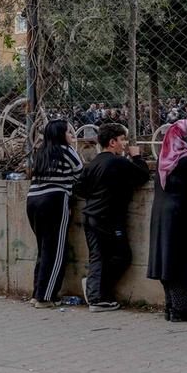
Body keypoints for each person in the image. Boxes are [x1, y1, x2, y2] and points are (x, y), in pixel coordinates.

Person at [77, 123, 150, 312]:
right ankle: (97, 296)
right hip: (107, 219)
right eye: (122, 139)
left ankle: (96, 291)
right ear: (112, 142)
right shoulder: (117, 162)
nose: (124, 143)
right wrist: (136, 156)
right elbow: (142, 175)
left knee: (99, 256)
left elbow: (80, 189)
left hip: (91, 216)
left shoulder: (93, 163)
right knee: (120, 256)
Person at [147, 118, 187, 322]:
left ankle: (171, 307)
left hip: (162, 215)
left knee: (167, 261)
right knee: (183, 262)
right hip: (183, 216)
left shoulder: (165, 157)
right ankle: (180, 310)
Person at [27, 120, 83, 308]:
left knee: (43, 248)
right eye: (69, 132)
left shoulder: (41, 153)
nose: (71, 136)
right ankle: (46, 297)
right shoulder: (66, 151)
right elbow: (80, 175)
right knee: (56, 251)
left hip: (33, 200)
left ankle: (38, 293)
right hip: (55, 201)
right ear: (61, 135)